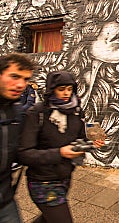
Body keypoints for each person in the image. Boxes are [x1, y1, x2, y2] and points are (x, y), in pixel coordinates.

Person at [18, 71, 105, 223]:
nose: (66, 93)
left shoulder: (76, 111)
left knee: (48, 218)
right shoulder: (37, 113)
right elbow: (25, 154)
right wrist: (60, 153)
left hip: (64, 177)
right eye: (61, 89)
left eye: (70, 89)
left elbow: (79, 138)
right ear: (52, 89)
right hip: (42, 181)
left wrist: (91, 144)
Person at [0, 53, 34, 223]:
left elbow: (23, 152)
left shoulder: (18, 113)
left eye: (25, 79)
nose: (21, 84)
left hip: (5, 202)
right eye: (14, 76)